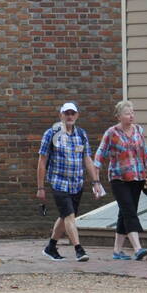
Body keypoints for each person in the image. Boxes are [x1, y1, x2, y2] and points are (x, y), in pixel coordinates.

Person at [36, 101, 100, 262]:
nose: (70, 116)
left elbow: (87, 158)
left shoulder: (81, 135)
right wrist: (40, 187)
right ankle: (79, 249)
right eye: (67, 113)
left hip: (76, 183)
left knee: (65, 217)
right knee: (70, 216)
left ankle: (51, 247)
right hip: (58, 182)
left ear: (77, 115)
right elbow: (42, 161)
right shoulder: (51, 134)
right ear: (61, 115)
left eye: (73, 113)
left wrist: (96, 182)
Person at [94, 100, 147, 261]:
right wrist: (96, 179)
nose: (131, 116)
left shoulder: (138, 130)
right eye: (127, 113)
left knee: (125, 213)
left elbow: (144, 151)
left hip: (138, 177)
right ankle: (138, 248)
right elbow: (100, 154)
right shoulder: (111, 133)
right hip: (119, 178)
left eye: (132, 112)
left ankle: (117, 251)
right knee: (129, 211)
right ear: (119, 116)